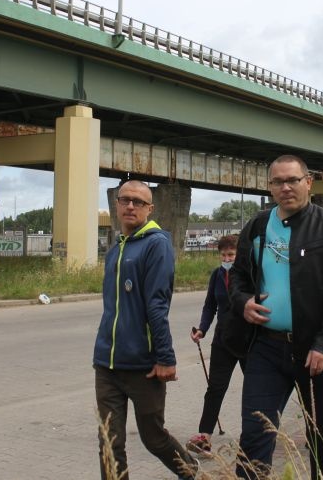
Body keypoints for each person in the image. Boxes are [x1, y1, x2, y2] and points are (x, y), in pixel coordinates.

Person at [226, 154, 323, 480]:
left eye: (293, 180)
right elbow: (238, 277)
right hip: (267, 349)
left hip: (317, 352)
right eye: (278, 182)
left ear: (308, 183)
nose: (286, 188)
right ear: (270, 187)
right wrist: (243, 301)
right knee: (255, 433)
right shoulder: (256, 227)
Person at [92, 180, 198, 480]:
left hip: (144, 365)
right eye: (124, 200)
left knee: (153, 438)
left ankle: (190, 470)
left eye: (138, 202)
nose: (130, 206)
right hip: (107, 363)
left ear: (150, 209)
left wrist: (165, 358)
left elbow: (157, 306)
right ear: (116, 204)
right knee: (109, 443)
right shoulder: (116, 249)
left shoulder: (157, 245)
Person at [186, 234, 244, 457]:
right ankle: (204, 437)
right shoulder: (217, 275)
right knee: (215, 389)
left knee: (255, 389)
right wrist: (202, 328)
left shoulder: (249, 275)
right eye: (223, 255)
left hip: (248, 340)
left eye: (231, 255)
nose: (227, 258)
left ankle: (256, 435)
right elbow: (210, 305)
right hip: (223, 340)